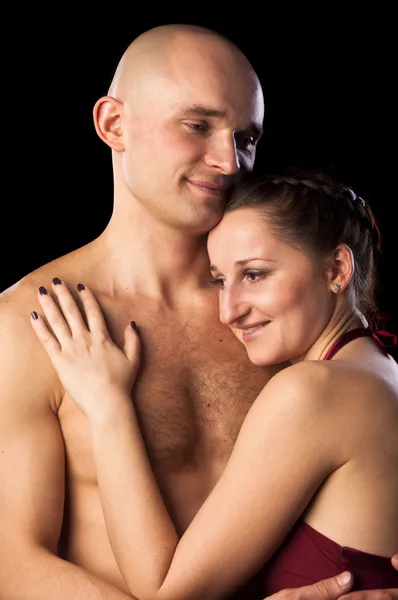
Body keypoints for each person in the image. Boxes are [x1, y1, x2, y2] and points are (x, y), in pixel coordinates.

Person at [0, 23, 396, 599]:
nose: (229, 161)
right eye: (198, 125)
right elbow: (12, 564)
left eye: (246, 137)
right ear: (114, 124)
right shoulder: (33, 322)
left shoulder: (278, 315)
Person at [28, 168, 398, 600]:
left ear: (336, 269)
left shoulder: (310, 391)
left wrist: (108, 406)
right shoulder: (382, 369)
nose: (228, 311)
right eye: (221, 280)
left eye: (255, 275)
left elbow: (166, 591)